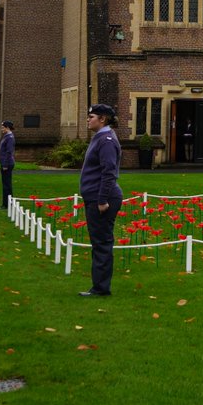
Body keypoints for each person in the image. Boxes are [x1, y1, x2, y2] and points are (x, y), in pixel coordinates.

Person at [79, 103, 123, 297]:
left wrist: (102, 200)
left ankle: (100, 288)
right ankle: (99, 286)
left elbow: (109, 172)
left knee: (102, 243)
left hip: (102, 199)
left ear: (102, 119)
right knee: (98, 242)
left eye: (91, 116)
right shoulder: (100, 138)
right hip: (95, 196)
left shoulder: (106, 140)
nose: (88, 119)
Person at [0, 120, 16, 209]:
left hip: (7, 164)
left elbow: (9, 152)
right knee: (6, 184)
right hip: (5, 163)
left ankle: (7, 204)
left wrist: (5, 164)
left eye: (3, 127)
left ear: (7, 128)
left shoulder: (10, 137)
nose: (1, 129)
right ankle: (7, 204)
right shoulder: (7, 136)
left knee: (7, 185)